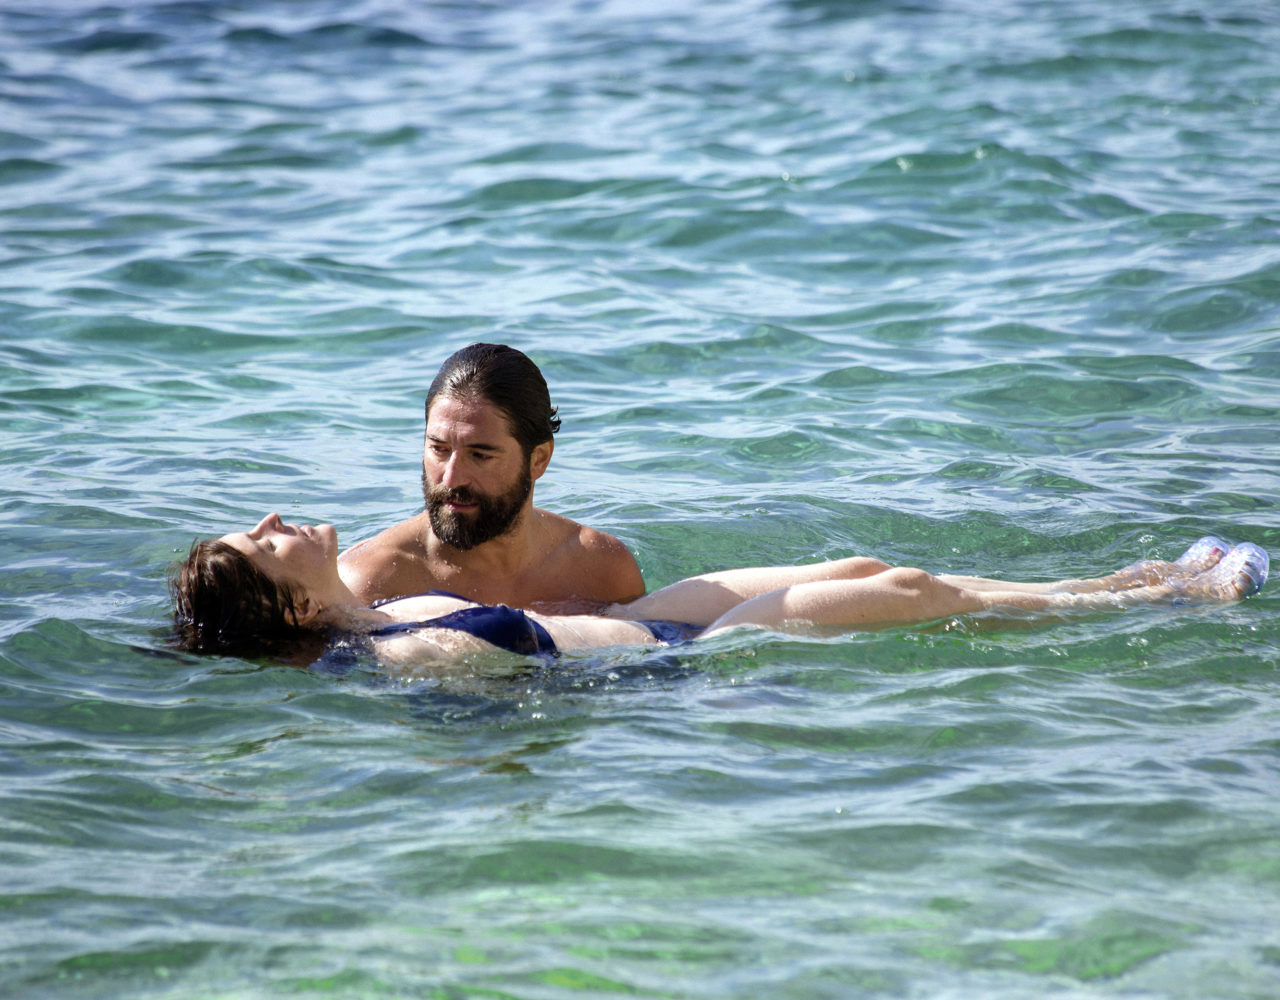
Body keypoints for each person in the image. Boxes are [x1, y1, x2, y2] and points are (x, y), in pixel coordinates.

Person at [169, 513, 1269, 668]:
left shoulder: (375, 606)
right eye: (261, 546)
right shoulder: (398, 651)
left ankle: (1110, 577)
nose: (271, 523)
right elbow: (541, 698)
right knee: (904, 588)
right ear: (293, 605)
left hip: (643, 621)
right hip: (677, 660)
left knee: (856, 566)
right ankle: (1150, 600)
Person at [336, 343, 644, 611]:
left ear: (539, 459)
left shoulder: (601, 571)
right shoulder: (369, 582)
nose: (452, 479)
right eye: (439, 449)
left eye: (480, 455)